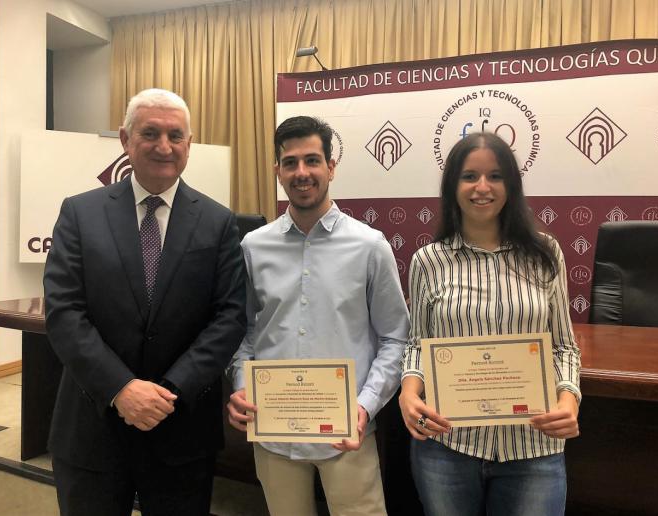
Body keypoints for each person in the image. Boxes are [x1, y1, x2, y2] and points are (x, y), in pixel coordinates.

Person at [43, 88, 246, 516]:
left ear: (190, 144)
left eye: (176, 135)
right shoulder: (80, 213)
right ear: (125, 139)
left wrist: (169, 391)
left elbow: (228, 317)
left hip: (181, 429)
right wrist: (120, 388)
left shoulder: (219, 222)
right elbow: (64, 312)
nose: (164, 146)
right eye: (150, 133)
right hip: (92, 428)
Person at [226, 116, 409, 516]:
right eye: (290, 163)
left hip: (347, 433)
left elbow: (396, 338)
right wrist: (241, 384)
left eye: (312, 160)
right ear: (277, 171)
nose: (301, 172)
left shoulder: (369, 246)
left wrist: (365, 406)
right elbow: (245, 333)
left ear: (331, 166)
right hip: (274, 432)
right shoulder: (253, 247)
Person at [399, 132, 581, 516]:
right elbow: (417, 343)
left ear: (510, 185)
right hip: (448, 445)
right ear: (453, 186)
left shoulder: (546, 254)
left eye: (495, 176)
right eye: (469, 176)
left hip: (533, 447)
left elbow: (564, 346)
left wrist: (569, 400)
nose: (482, 187)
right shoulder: (428, 261)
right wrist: (409, 391)